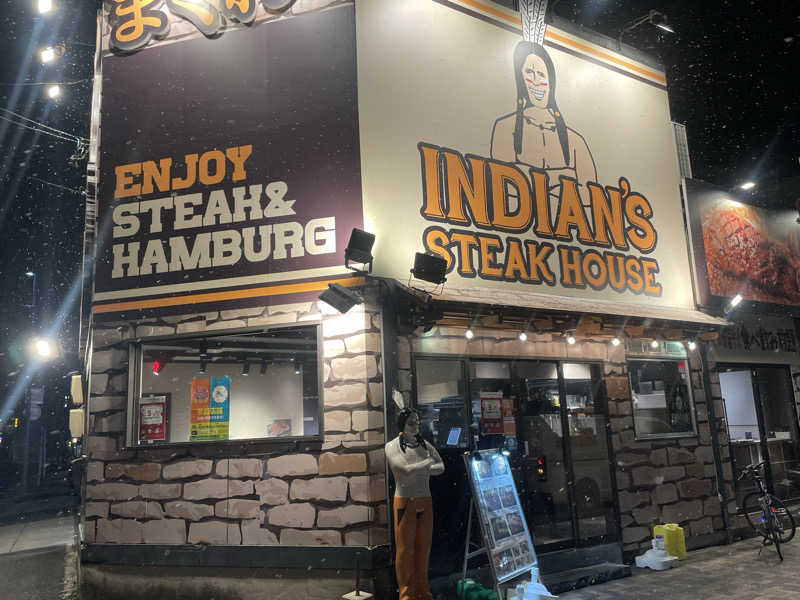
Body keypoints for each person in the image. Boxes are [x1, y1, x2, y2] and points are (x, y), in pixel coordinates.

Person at [490, 41, 597, 206]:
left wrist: (528, 175)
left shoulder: (575, 141)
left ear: (551, 80)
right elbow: (503, 184)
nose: (536, 81)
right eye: (529, 72)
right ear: (520, 78)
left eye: (541, 74)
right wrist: (561, 177)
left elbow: (590, 195)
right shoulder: (505, 127)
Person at [386, 408, 445, 600]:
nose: (415, 426)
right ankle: (406, 595)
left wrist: (420, 468)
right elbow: (403, 469)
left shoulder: (424, 445)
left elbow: (441, 467)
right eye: (411, 423)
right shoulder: (392, 446)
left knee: (423, 548)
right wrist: (426, 464)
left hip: (424, 500)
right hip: (405, 501)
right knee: (405, 550)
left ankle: (422, 592)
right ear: (402, 425)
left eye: (417, 422)